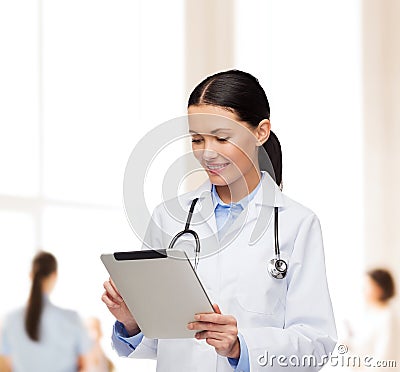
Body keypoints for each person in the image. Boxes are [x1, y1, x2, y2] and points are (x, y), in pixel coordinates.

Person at [102, 70, 337, 371]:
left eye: (222, 138)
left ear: (260, 132)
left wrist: (241, 346)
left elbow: (316, 343)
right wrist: (133, 321)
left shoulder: (297, 224)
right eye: (197, 139)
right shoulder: (169, 218)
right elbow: (160, 340)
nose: (207, 152)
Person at [0, 251, 92, 372]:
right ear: (54, 275)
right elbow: (85, 364)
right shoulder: (71, 319)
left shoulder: (10, 320)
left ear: (30, 275)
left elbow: (3, 366)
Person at [345, 269, 399, 371]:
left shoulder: (388, 318)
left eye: (367, 286)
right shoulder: (371, 314)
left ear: (379, 289)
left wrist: (359, 366)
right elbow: (363, 346)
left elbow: (384, 361)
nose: (363, 291)